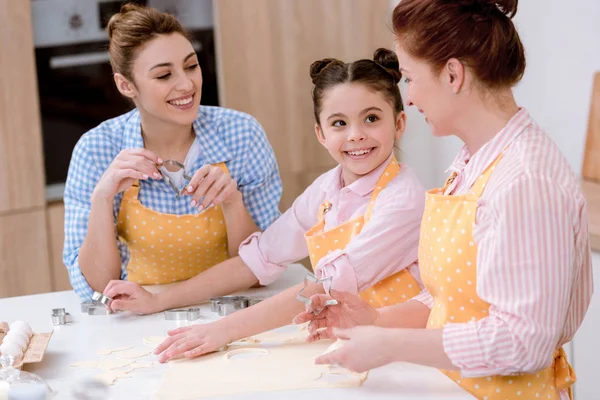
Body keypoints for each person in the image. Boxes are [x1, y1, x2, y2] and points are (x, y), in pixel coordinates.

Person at [295, 1, 593, 399]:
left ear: (453, 74)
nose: (409, 98)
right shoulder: (472, 160)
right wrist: (378, 319)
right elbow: (453, 298)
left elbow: (523, 342)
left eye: (410, 78)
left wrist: (388, 345)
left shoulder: (525, 180)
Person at [103, 48, 427, 362]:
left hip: (402, 353)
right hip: (350, 344)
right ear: (321, 133)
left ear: (399, 123)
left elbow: (326, 287)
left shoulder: (403, 201)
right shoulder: (329, 188)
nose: (356, 135)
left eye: (371, 118)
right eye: (339, 123)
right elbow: (258, 259)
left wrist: (222, 331)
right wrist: (159, 300)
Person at [63, 4, 282, 301]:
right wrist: (102, 198)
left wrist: (233, 203)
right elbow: (99, 285)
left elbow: (263, 270)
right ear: (126, 85)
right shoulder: (95, 150)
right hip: (138, 317)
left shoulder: (241, 134)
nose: (186, 84)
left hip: (236, 305)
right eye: (164, 75)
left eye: (191, 66)